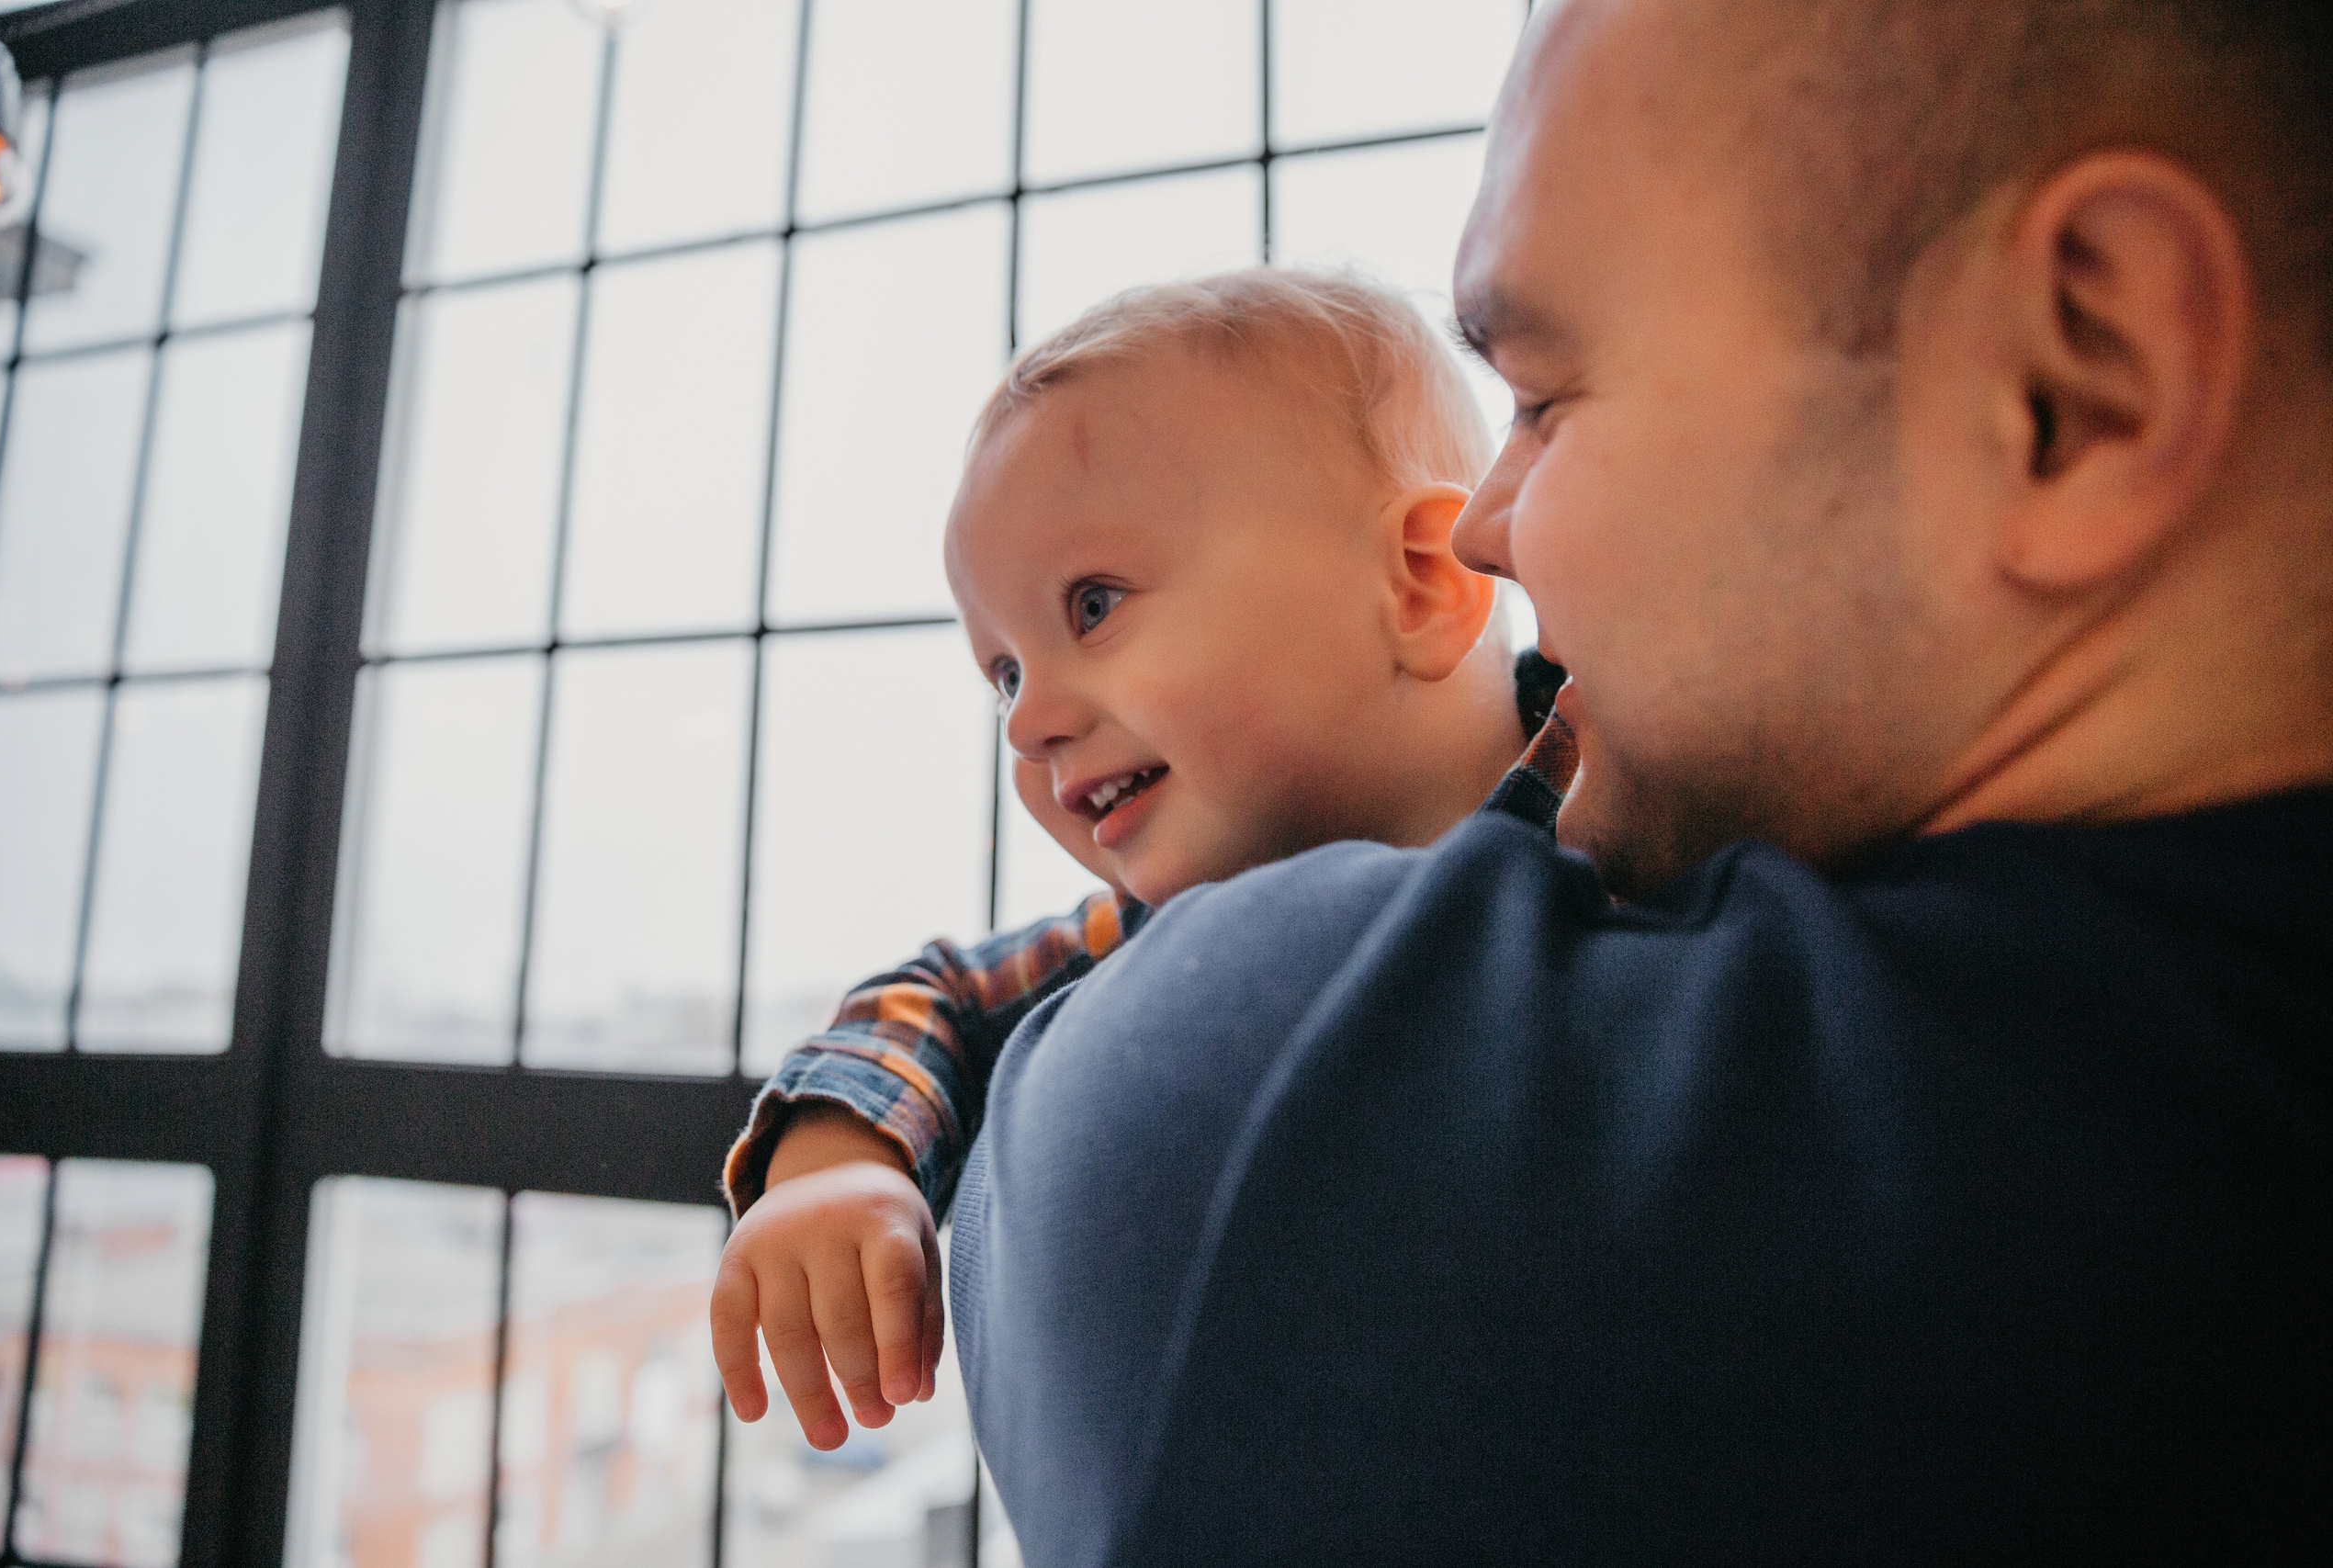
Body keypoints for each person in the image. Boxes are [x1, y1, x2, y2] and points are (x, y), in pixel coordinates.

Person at [944, 0, 2333, 1562]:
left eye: (1542, 397)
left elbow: (1122, 1104)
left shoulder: (1264, 1148)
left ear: (2079, 381)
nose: (1483, 526)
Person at [709, 271, 1573, 1453]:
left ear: (1419, 581)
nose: (1026, 722)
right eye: (1003, 671)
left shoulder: (1634, 807)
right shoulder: (1156, 926)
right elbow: (942, 999)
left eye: (1094, 603)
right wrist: (832, 1160)